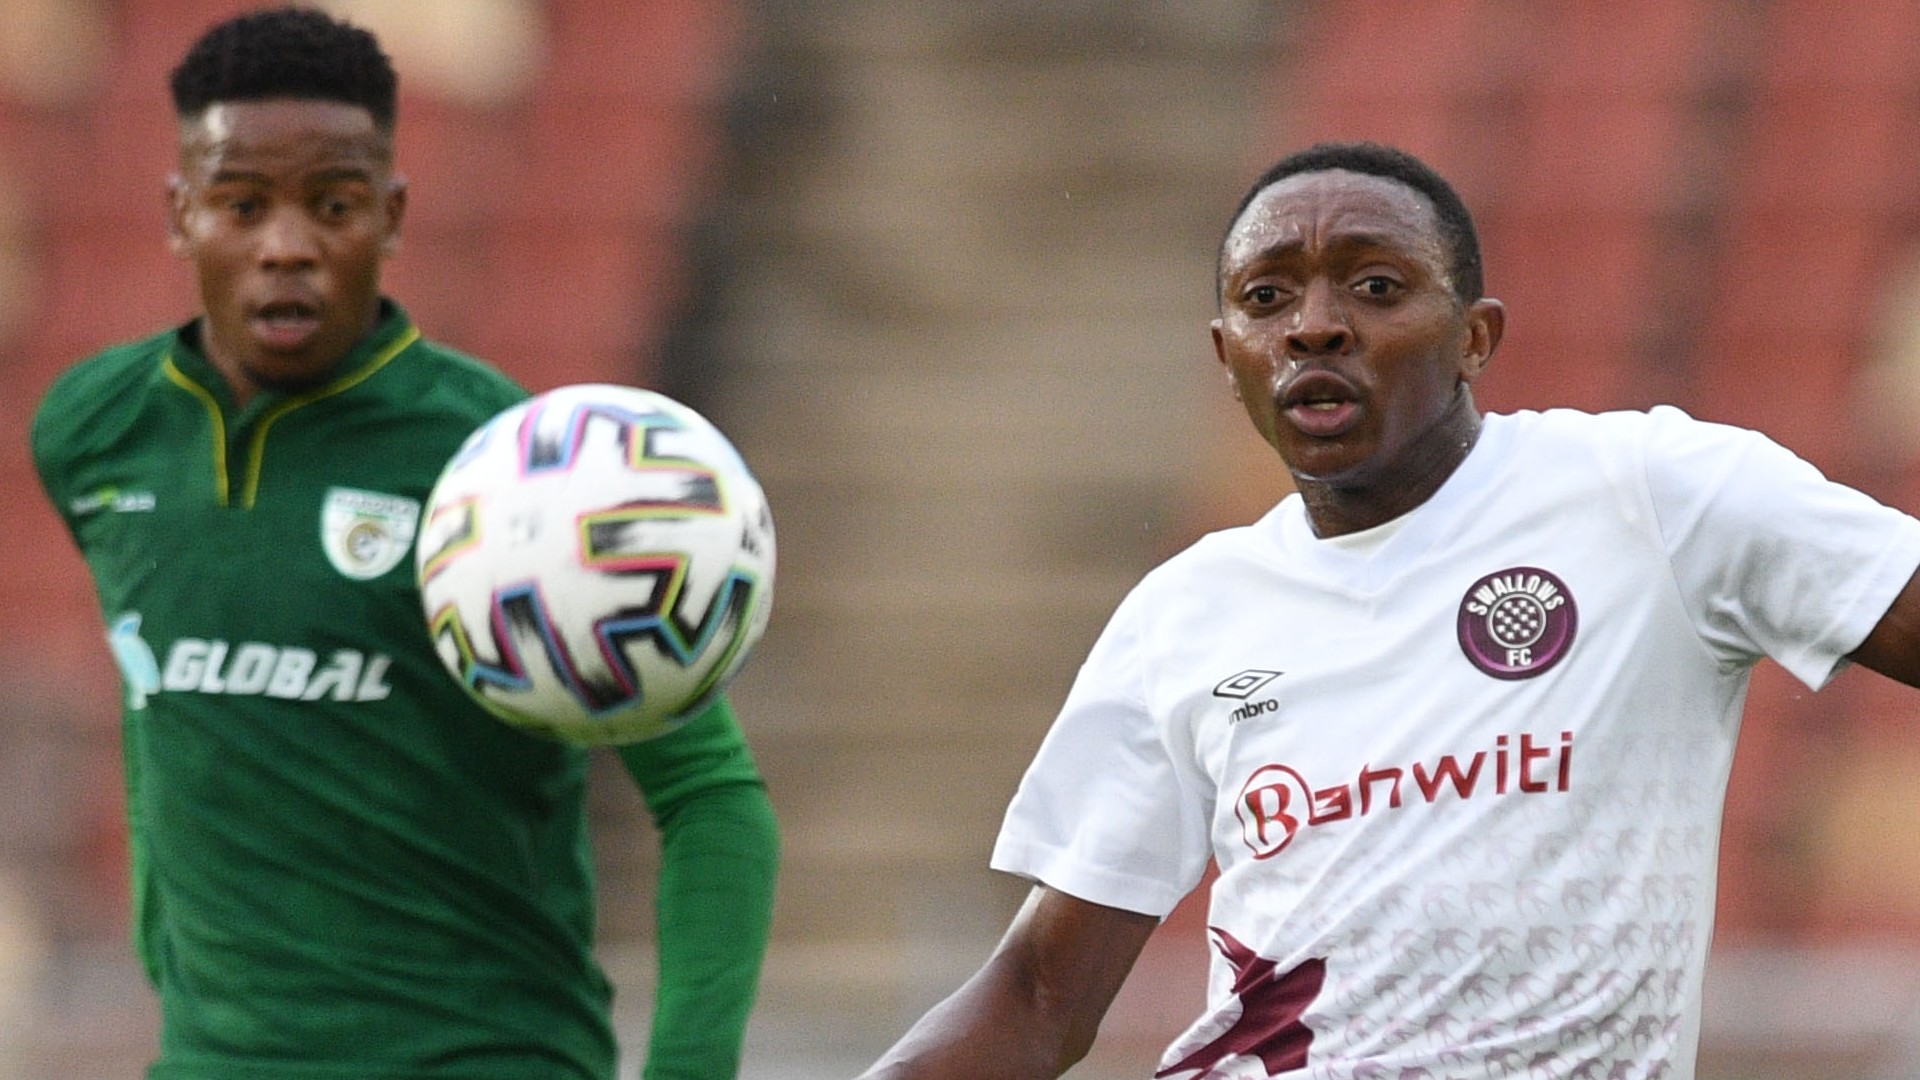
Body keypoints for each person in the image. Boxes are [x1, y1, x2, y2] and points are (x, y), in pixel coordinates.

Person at [854, 140, 1920, 1079]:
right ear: (1228, 358)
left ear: (1475, 338)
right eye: (1267, 298)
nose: (1315, 327)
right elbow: (1040, 997)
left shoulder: (1650, 496)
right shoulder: (1185, 613)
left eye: (1374, 286)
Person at [27, 8, 779, 1079]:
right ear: (180, 213)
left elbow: (709, 797)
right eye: (242, 204)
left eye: (333, 204)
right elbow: (156, 692)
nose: (287, 246)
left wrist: (687, 1069)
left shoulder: (515, 478)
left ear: (390, 214)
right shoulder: (97, 432)